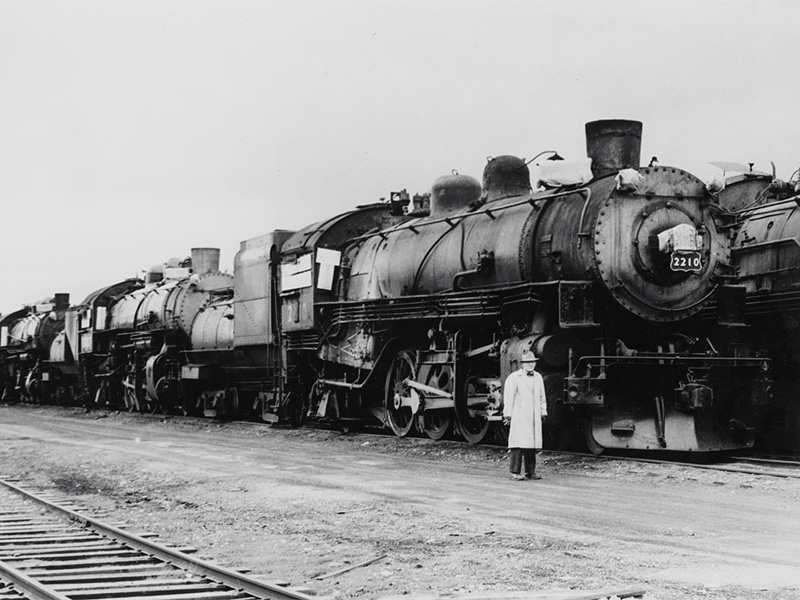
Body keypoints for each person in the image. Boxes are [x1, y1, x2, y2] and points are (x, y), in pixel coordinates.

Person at [502, 350, 547, 480]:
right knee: (517, 444)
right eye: (528, 362)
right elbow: (509, 398)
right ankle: (515, 472)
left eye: (533, 362)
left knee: (531, 445)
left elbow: (542, 397)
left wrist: (543, 412)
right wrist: (508, 415)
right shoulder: (514, 378)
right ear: (522, 364)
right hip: (520, 415)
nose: (531, 365)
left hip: (533, 416)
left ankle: (530, 472)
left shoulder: (538, 377)